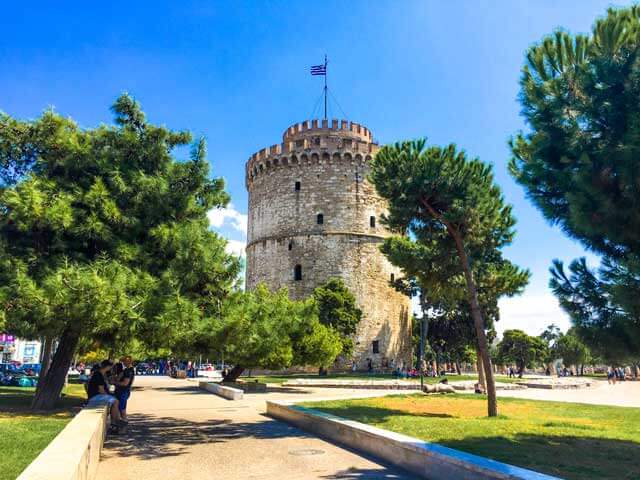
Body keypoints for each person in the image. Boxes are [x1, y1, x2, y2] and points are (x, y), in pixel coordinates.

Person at [87, 360, 125, 431]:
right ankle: (114, 422)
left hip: (98, 395)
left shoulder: (101, 374)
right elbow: (101, 390)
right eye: (111, 367)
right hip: (95, 397)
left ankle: (116, 421)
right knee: (115, 401)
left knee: (114, 399)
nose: (111, 369)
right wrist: (109, 396)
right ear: (107, 367)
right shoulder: (98, 375)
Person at [114, 356, 135, 422]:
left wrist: (114, 382)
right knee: (119, 408)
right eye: (124, 361)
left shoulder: (128, 371)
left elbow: (125, 383)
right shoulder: (127, 370)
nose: (124, 362)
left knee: (122, 409)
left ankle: (123, 424)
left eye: (126, 361)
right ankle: (120, 424)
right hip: (123, 391)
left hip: (123, 391)